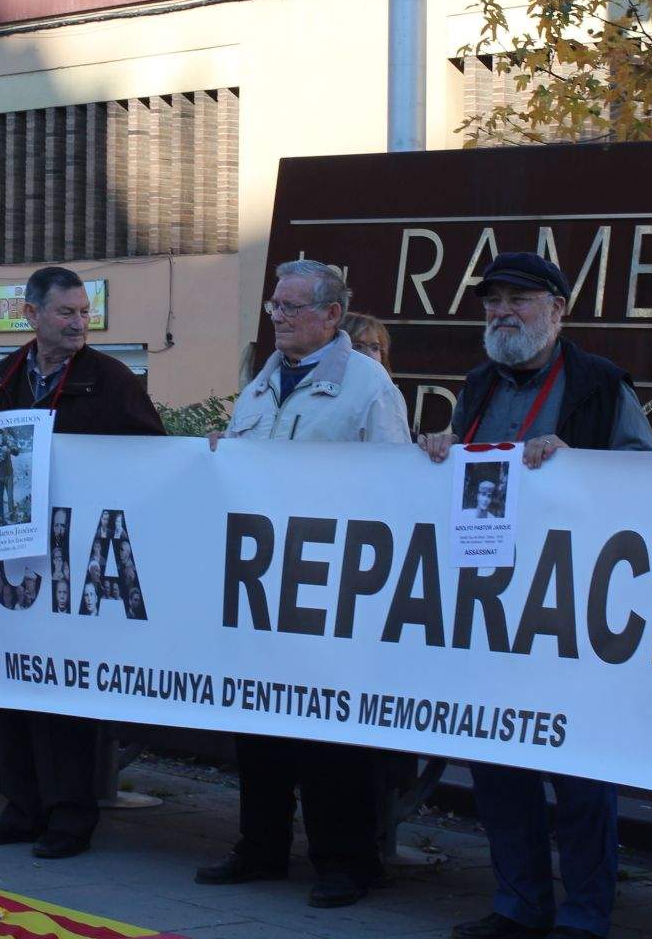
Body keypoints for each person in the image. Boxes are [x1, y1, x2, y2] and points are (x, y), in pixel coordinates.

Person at [421, 252, 652, 939]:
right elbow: (459, 485)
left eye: (519, 300)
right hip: (489, 612)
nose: (501, 313)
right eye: (492, 301)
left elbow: (647, 479)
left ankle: (584, 917)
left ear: (558, 311)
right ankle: (518, 906)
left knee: (581, 777)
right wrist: (439, 449)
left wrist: (578, 463)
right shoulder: (478, 386)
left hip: (571, 614)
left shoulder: (600, 385)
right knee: (499, 771)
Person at [195, 260, 408, 908]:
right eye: (274, 307)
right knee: (259, 730)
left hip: (334, 591)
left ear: (332, 316)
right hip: (263, 589)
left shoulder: (368, 387)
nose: (278, 317)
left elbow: (396, 491)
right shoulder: (264, 382)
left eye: (291, 307)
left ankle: (347, 863)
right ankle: (260, 847)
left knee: (330, 741)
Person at [0, 266, 163, 860]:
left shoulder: (111, 379)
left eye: (84, 313)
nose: (79, 324)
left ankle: (70, 820)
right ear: (31, 315)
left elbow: (149, 458)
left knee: (61, 696)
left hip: (80, 564)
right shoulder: (1, 377)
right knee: (8, 687)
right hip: (12, 561)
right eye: (66, 313)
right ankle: (20, 809)